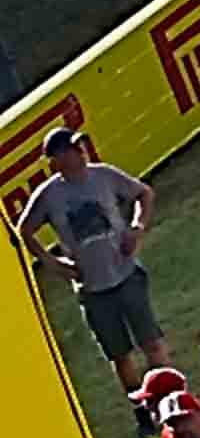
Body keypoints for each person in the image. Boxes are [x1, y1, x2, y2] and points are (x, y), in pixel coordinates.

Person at [24, 119, 162, 408]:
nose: (82, 151)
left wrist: (137, 228)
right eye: (74, 148)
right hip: (92, 288)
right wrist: (55, 264)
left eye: (79, 146)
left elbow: (143, 193)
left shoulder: (104, 176)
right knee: (119, 354)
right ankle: (142, 411)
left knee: (151, 341)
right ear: (58, 159)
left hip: (126, 274)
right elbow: (24, 232)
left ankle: (170, 395)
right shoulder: (49, 196)